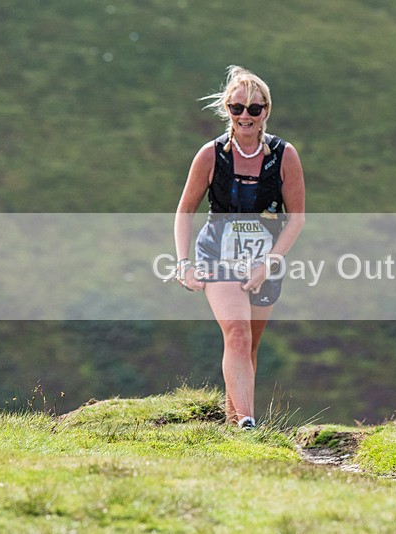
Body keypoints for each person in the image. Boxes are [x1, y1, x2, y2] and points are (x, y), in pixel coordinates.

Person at [174, 66, 305, 430]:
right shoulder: (211, 155)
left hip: (265, 262)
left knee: (249, 347)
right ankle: (248, 423)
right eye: (237, 108)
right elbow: (185, 210)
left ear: (266, 111)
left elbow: (296, 218)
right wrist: (183, 263)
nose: (245, 116)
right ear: (227, 110)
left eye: (254, 108)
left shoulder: (284, 155)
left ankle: (234, 420)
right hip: (217, 256)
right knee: (237, 332)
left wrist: (270, 262)